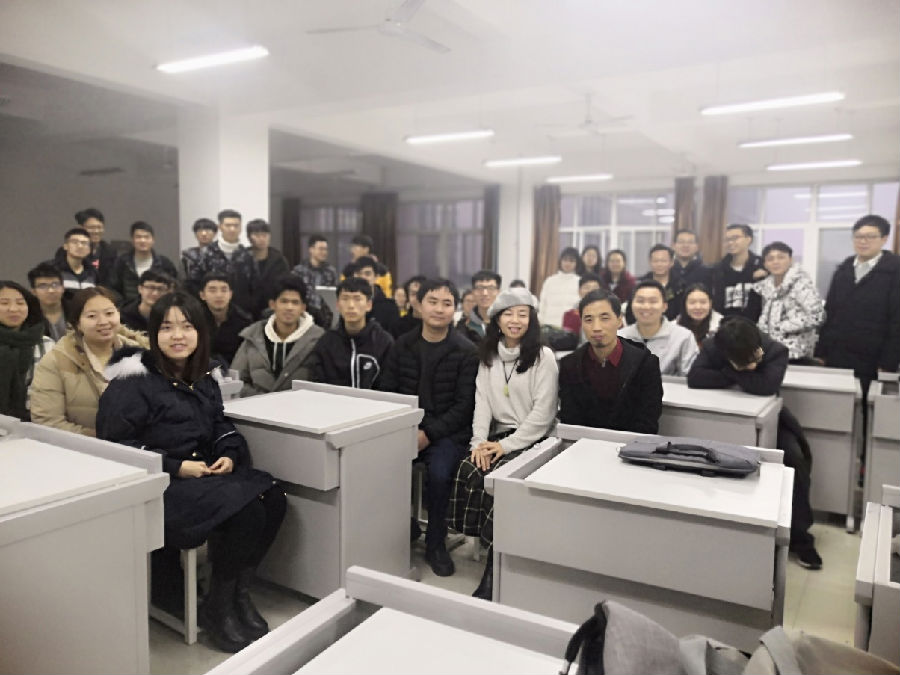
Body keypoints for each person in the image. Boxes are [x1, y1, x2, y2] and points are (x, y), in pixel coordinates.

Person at [96, 292, 285, 652]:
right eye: (167, 328)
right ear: (154, 334)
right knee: (247, 512)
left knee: (274, 497)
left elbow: (219, 424)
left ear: (200, 332)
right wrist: (175, 466)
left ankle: (235, 594)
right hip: (158, 485)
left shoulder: (203, 375)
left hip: (203, 476)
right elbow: (117, 447)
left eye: (186, 326)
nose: (177, 336)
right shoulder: (133, 381)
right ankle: (219, 606)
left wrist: (228, 453)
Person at [448, 288, 558, 600]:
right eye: (508, 314)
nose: (515, 320)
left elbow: (543, 415)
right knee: (469, 468)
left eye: (523, 314)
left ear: (531, 319)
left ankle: (493, 572)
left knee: (502, 486)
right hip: (499, 437)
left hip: (536, 441)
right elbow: (482, 403)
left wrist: (505, 447)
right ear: (496, 320)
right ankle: (492, 548)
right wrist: (478, 443)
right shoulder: (488, 356)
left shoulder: (543, 357)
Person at [687, 317, 822, 569]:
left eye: (753, 360)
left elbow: (766, 386)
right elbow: (695, 378)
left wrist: (729, 372)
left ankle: (801, 538)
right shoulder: (715, 345)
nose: (751, 365)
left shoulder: (775, 350)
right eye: (742, 362)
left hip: (770, 419)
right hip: (723, 418)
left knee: (794, 461)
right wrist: (739, 373)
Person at [378, 278, 479, 577]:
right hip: (405, 428)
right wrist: (407, 428)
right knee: (379, 465)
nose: (439, 309)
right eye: (432, 302)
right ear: (418, 305)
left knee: (438, 474)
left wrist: (429, 434)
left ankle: (436, 542)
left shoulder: (466, 351)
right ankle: (401, 529)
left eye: (447, 303)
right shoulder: (401, 345)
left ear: (455, 309)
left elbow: (464, 406)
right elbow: (388, 391)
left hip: (448, 433)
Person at [30, 287, 147, 436]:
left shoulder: (140, 354)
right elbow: (47, 421)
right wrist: (100, 439)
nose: (103, 322)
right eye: (92, 316)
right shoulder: (56, 361)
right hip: (80, 447)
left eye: (109, 313)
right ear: (77, 324)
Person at [816, 214, 900, 393]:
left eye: (870, 237)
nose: (863, 241)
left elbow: (897, 321)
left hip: (874, 358)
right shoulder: (844, 269)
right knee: (834, 402)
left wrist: (888, 362)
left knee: (866, 406)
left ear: (884, 239)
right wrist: (821, 352)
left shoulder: (894, 270)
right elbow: (830, 312)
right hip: (838, 354)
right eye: (859, 236)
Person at [558, 289, 662, 433]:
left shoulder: (645, 364)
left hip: (630, 444)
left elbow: (647, 423)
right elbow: (570, 421)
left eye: (604, 318)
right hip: (582, 443)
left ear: (619, 320)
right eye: (588, 320)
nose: (596, 328)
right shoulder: (570, 365)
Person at [231, 275, 324, 396]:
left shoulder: (319, 340)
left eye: (295, 302)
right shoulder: (253, 336)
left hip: (300, 405)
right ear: (272, 304)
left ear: (303, 308)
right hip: (255, 404)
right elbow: (235, 380)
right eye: (284, 301)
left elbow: (324, 384)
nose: (289, 307)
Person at [311, 277, 394, 389]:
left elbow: (388, 385)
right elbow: (317, 383)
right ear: (337, 305)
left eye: (357, 299)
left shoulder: (383, 342)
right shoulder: (326, 343)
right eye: (345, 299)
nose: (351, 305)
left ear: (369, 305)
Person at [755, 242, 825, 363]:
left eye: (781, 257)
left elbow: (817, 316)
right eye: (770, 259)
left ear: (790, 260)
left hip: (796, 354)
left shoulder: (802, 285)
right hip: (771, 352)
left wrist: (781, 327)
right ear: (765, 264)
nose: (776, 262)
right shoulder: (766, 288)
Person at [618, 280, 699, 376]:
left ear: (664, 306)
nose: (646, 306)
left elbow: (691, 378)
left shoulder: (683, 337)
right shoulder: (618, 337)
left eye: (653, 301)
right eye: (640, 301)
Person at [0, 281, 54, 420]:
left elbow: (50, 390)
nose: (13, 309)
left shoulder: (45, 344)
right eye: (4, 303)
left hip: (36, 420)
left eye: (20, 303)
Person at [189, 209, 258, 317]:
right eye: (228, 225)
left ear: (241, 228)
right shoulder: (205, 254)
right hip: (208, 314)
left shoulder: (248, 256)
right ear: (220, 227)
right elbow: (194, 284)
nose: (232, 229)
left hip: (242, 314)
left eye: (236, 226)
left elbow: (255, 287)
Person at [109, 221, 178, 303]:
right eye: (138, 237)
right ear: (132, 240)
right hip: (128, 308)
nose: (142, 240)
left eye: (146, 237)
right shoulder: (121, 262)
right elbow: (113, 289)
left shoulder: (164, 263)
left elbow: (174, 288)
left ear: (153, 240)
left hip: (158, 307)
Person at [711, 224, 766, 320]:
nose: (730, 242)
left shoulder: (763, 265)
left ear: (749, 239)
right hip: (725, 323)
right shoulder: (717, 269)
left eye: (735, 238)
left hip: (756, 324)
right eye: (727, 239)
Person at [199, 273, 253, 367]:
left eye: (224, 290)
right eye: (212, 290)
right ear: (202, 295)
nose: (219, 295)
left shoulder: (244, 321)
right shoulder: (194, 319)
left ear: (230, 294)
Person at [246, 219, 290, 317]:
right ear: (249, 237)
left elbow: (285, 286)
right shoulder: (242, 258)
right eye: (257, 235)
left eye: (265, 235)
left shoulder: (279, 260)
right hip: (246, 311)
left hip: (273, 310)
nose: (262, 239)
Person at [635, 244, 683, 321]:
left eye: (663, 261)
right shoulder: (640, 285)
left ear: (671, 262)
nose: (659, 264)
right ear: (650, 262)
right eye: (655, 261)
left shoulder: (681, 286)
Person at [352, 256, 399, 334]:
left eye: (367, 274)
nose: (363, 278)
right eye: (359, 274)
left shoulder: (390, 307)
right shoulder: (348, 305)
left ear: (376, 277)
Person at [538, 247, 583, 327]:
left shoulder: (580, 282)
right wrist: (540, 323)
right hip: (549, 326)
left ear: (577, 263)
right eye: (565, 260)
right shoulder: (550, 281)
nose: (567, 263)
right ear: (560, 261)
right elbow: (542, 305)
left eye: (571, 261)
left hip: (571, 328)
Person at [75, 208, 118, 286]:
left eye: (99, 227)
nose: (96, 231)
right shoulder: (73, 250)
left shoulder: (110, 252)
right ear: (81, 228)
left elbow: (112, 281)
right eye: (92, 228)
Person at [52, 227, 98, 299]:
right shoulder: (52, 269)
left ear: (89, 249)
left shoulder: (93, 272)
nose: (80, 246)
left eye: (84, 243)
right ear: (65, 246)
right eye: (75, 242)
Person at [457, 270, 501, 343]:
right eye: (480, 288)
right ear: (473, 292)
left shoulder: (506, 322)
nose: (485, 293)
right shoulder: (464, 325)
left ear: (498, 292)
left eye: (491, 288)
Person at [28, 262, 67, 341]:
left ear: (63, 288)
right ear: (33, 291)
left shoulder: (76, 311)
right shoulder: (28, 316)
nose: (51, 290)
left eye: (55, 285)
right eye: (43, 286)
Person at [677, 283, 723, 347]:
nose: (698, 307)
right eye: (692, 302)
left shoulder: (722, 326)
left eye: (703, 302)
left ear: (710, 304)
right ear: (685, 304)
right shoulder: (674, 327)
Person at [182, 218, 218, 293]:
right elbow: (182, 279)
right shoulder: (188, 255)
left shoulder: (220, 254)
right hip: (192, 293)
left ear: (215, 233)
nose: (203, 234)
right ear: (195, 234)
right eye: (200, 230)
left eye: (208, 230)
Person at [562, 272, 603, 338]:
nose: (590, 291)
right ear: (579, 291)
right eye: (586, 287)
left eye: (594, 288)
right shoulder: (570, 315)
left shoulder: (608, 313)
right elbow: (568, 339)